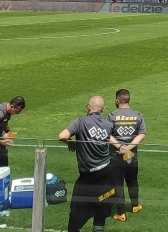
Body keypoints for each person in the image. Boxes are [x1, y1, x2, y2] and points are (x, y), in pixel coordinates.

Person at [58, 95, 123, 232]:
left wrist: (71, 142)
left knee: (76, 210)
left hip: (87, 177)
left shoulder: (81, 121)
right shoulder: (108, 124)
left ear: (89, 107)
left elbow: (62, 136)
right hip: (106, 173)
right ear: (103, 109)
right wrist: (122, 148)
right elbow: (108, 137)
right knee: (101, 208)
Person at [109, 89, 146, 221]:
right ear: (128, 100)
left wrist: (120, 147)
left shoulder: (112, 115)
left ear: (117, 100)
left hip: (115, 155)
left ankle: (121, 213)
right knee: (132, 181)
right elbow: (142, 134)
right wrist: (128, 148)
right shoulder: (138, 115)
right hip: (132, 155)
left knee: (117, 184)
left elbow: (107, 135)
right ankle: (135, 205)